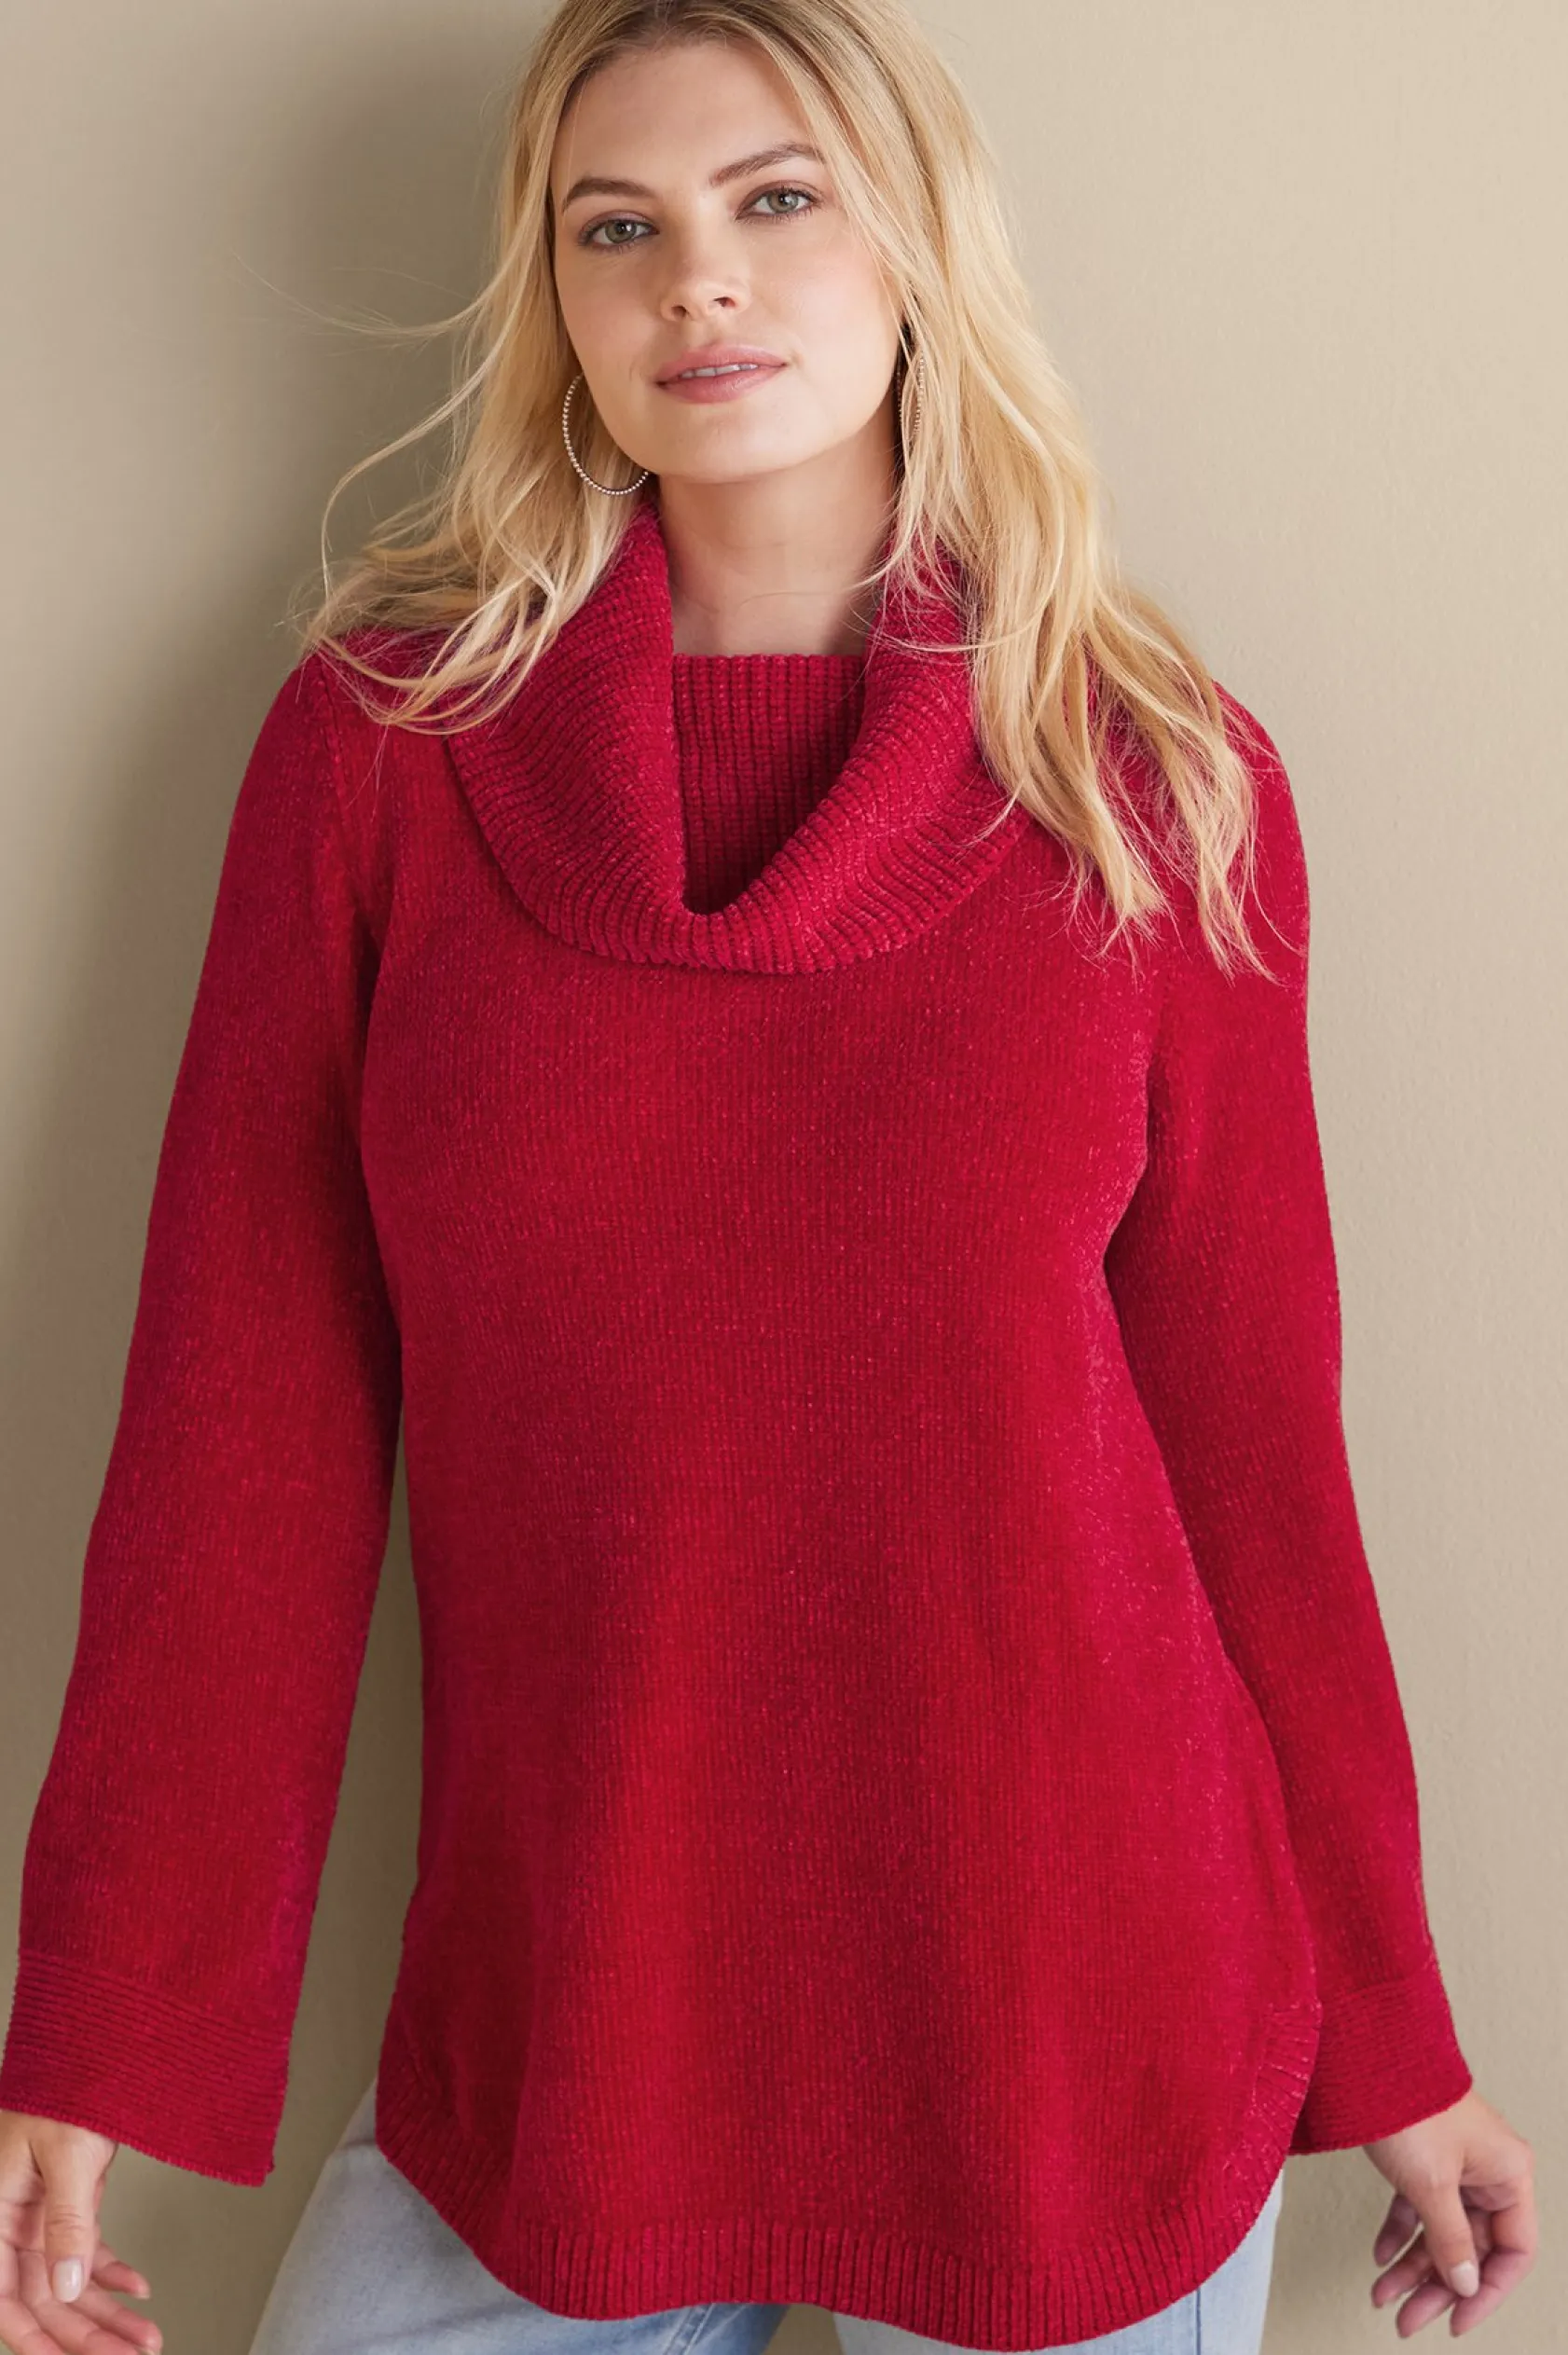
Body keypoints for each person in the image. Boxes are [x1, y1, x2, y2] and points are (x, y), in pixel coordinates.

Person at [0, 3, 1537, 2351]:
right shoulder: (384, 757)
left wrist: (1393, 2040)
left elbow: (1252, 1456)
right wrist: (99, 2038)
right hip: (564, 2038)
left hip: (1079, 2030)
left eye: (776, 200)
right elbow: (247, 1445)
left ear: (917, 246)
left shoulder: (1144, 781)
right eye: (614, 228)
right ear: (556, 302)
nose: (695, 279)